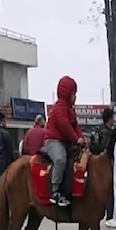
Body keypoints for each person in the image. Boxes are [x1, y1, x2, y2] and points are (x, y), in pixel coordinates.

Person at [44, 76, 85, 206]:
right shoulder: (59, 108)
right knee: (60, 159)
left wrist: (83, 139)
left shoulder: (70, 110)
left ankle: (69, 191)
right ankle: (55, 191)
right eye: (74, 94)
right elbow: (64, 125)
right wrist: (76, 139)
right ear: (67, 94)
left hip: (65, 142)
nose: (75, 97)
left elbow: (75, 127)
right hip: (53, 141)